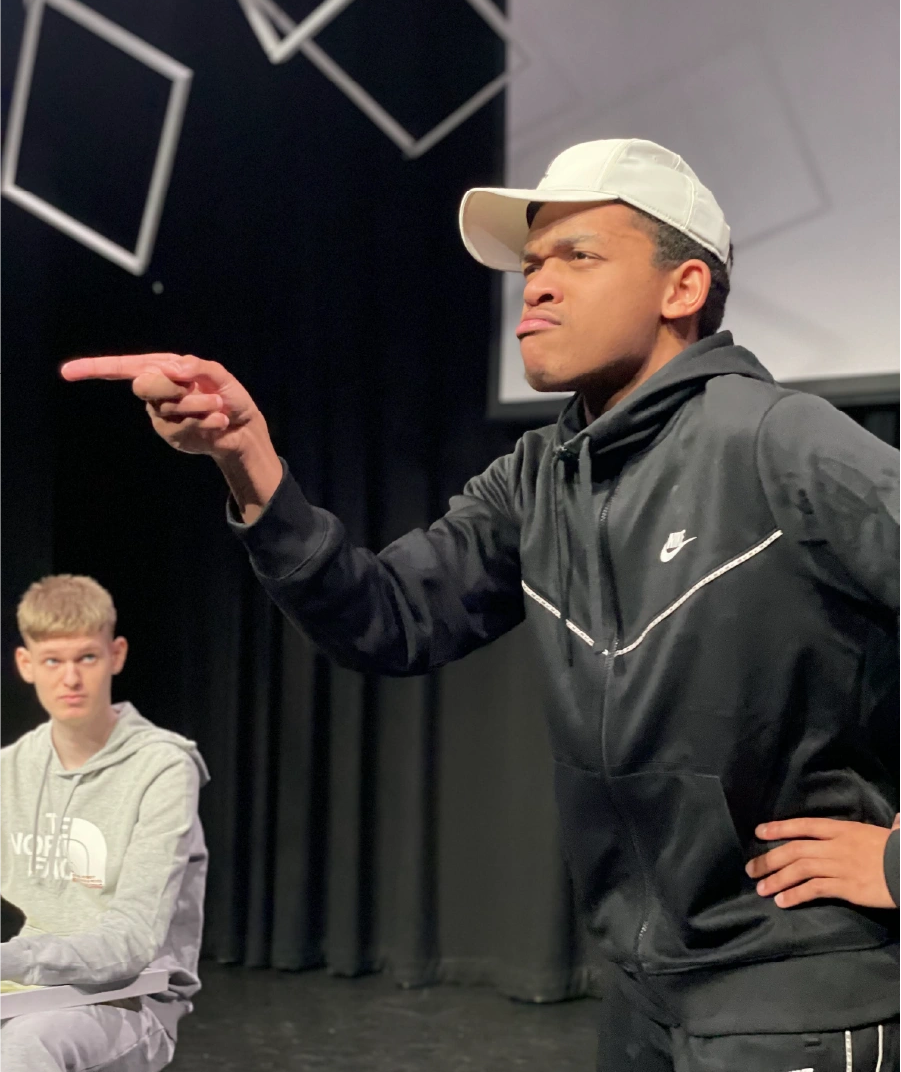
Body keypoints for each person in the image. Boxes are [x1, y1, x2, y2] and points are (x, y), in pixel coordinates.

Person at [62, 138, 900, 1070]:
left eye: (577, 256)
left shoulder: (779, 443)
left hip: (798, 994)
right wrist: (246, 459)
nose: (535, 285)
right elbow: (386, 617)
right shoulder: (538, 477)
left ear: (683, 287)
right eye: (532, 264)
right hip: (642, 996)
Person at [0, 574, 209, 1072]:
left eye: (85, 658)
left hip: (126, 997)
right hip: (20, 988)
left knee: (26, 1051)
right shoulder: (9, 768)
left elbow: (132, 941)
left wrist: (9, 960)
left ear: (115, 655)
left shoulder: (161, 766)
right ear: (27, 665)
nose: (70, 679)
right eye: (53, 661)